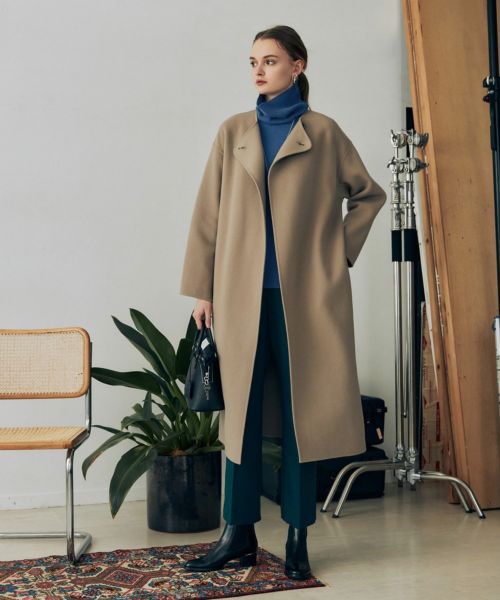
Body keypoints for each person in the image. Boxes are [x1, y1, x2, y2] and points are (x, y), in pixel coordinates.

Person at [179, 25, 387, 580]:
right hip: (239, 297)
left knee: (303, 418)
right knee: (240, 418)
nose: (258, 70)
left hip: (307, 300)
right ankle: (237, 534)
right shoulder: (233, 132)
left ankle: (298, 536)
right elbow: (207, 215)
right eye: (253, 61)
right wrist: (203, 288)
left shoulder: (324, 133)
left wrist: (337, 254)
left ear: (298, 66)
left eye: (269, 61)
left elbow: (369, 195)